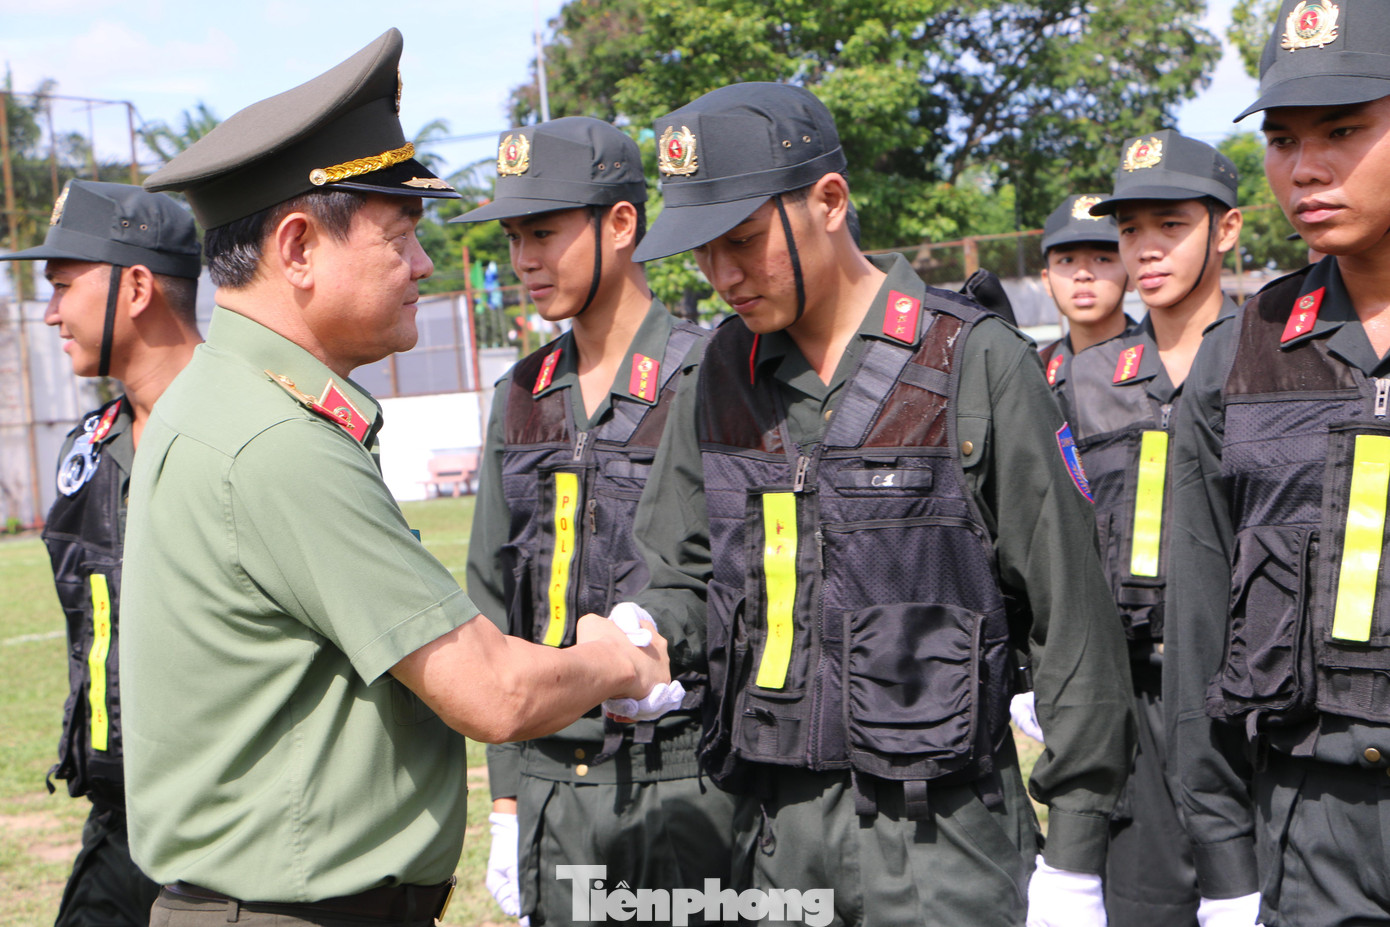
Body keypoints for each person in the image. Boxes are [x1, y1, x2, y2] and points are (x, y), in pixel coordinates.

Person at [120, 29, 670, 927]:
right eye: (399, 236)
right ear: (297, 247)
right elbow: (491, 690)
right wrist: (619, 656)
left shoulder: (224, 400)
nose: (421, 265)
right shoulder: (274, 439)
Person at [626, 81, 1135, 927]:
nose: (722, 276)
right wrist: (637, 633)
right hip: (773, 839)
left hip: (945, 843)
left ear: (829, 201)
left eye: (744, 241)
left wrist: (1075, 856)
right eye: (702, 252)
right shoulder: (717, 375)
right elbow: (679, 570)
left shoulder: (975, 362)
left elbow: (1072, 622)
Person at [452, 116, 734, 925]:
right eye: (512, 237)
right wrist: (506, 803)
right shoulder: (523, 391)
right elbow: (488, 597)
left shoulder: (705, 373)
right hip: (548, 784)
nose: (523, 261)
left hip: (684, 775)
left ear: (620, 224)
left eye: (543, 230)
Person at [1165, 0, 1390, 924]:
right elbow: (1198, 620)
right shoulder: (1244, 350)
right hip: (1308, 827)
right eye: (1285, 139)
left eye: (1344, 129)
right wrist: (1223, 858)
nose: (1307, 168)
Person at [0, 180, 201, 927]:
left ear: (138, 285)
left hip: (226, 836)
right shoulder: (88, 447)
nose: (50, 311)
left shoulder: (251, 431)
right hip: (119, 819)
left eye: (62, 287)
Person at [1058, 131, 1242, 927]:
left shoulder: (1269, 362)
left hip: (1243, 697)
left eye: (1170, 224)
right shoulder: (1089, 381)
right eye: (1130, 230)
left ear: (1226, 229)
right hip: (1131, 696)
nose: (1146, 250)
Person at [1036, 193, 1131, 394]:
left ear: (1132, 274)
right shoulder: (1035, 375)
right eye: (1067, 260)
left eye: (1103, 259)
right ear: (1047, 280)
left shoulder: (1165, 361)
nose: (1083, 274)